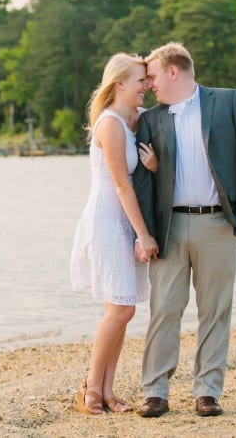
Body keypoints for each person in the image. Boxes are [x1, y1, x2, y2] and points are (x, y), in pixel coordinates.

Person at [132, 42, 236, 419]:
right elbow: (142, 181)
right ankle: (155, 391)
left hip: (219, 225)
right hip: (169, 226)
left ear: (173, 71)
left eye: (153, 76)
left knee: (215, 310)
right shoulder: (150, 120)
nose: (150, 84)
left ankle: (207, 392)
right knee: (164, 310)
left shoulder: (229, 102)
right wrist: (145, 233)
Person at [69, 53, 160, 415]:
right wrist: (145, 236)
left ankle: (108, 390)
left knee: (122, 309)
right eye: (141, 81)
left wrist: (153, 166)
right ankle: (91, 387)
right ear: (119, 83)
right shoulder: (109, 124)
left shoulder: (135, 120)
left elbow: (139, 180)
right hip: (109, 221)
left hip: (127, 219)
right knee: (120, 309)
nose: (147, 86)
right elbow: (122, 187)